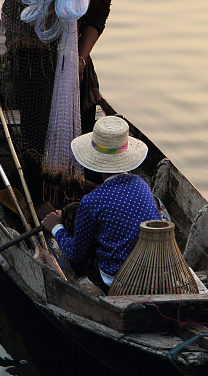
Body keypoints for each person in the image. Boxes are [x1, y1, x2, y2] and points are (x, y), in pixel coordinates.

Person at [0, 0, 145, 202]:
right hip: (31, 33)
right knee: (38, 112)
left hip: (70, 40)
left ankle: (78, 187)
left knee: (85, 102)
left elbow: (98, 18)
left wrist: (80, 58)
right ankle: (39, 193)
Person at [40, 116, 161, 292]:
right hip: (150, 271)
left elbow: (75, 253)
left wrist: (56, 228)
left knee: (74, 222)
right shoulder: (141, 185)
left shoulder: (91, 201)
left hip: (116, 279)